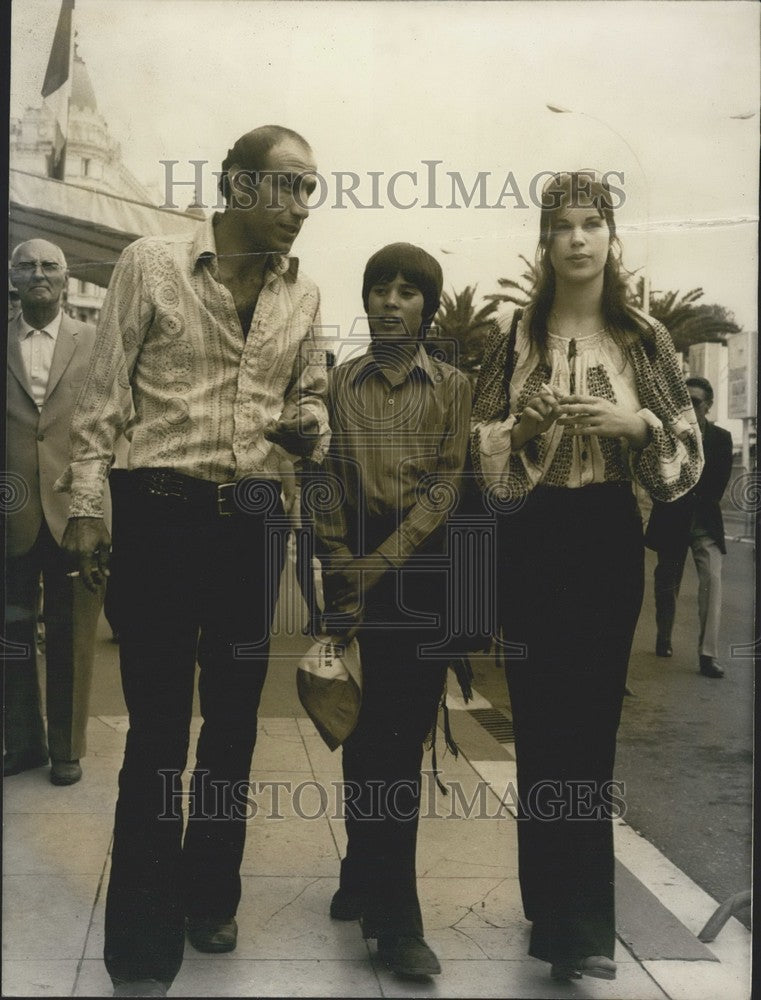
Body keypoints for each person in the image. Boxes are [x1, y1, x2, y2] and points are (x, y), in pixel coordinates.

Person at [57, 125, 329, 999]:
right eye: (284, 187)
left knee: (236, 726)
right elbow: (100, 403)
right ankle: (140, 937)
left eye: (309, 191)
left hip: (253, 520)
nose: (297, 209)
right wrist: (89, 513)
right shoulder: (151, 264)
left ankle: (211, 893)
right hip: (161, 514)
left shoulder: (305, 294)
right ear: (234, 185)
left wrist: (308, 425)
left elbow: (309, 398)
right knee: (159, 731)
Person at [470, 171, 703, 983]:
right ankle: (553, 913)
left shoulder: (643, 340)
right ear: (544, 242)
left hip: (606, 534)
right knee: (539, 724)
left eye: (589, 224)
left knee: (590, 727)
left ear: (610, 238)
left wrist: (632, 422)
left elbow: (683, 449)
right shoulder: (518, 336)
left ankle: (588, 926)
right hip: (536, 538)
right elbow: (487, 453)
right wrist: (522, 428)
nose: (575, 238)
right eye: (560, 225)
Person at [314, 243, 471, 978]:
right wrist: (340, 562)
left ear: (427, 307)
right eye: (380, 288)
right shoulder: (337, 385)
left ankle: (395, 921)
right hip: (350, 565)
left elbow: (447, 485)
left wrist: (382, 563)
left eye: (408, 291)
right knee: (356, 725)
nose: (390, 301)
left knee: (398, 747)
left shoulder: (453, 387)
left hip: (422, 573)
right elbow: (323, 479)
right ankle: (360, 871)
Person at [5, 239, 108, 786]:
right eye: (27, 265)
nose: (38, 273)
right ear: (12, 278)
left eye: (49, 265)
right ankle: (22, 744)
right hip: (10, 510)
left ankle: (67, 749)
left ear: (67, 279)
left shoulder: (95, 342)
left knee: (73, 633)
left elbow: (119, 421)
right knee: (9, 631)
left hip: (78, 512)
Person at [645, 375, 733, 676]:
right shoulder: (667, 435)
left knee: (713, 579)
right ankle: (664, 635)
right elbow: (659, 476)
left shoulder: (721, 439)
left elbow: (717, 486)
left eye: (694, 401)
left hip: (704, 521)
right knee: (666, 584)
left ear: (707, 406)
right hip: (672, 517)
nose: (688, 406)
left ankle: (708, 655)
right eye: (683, 400)